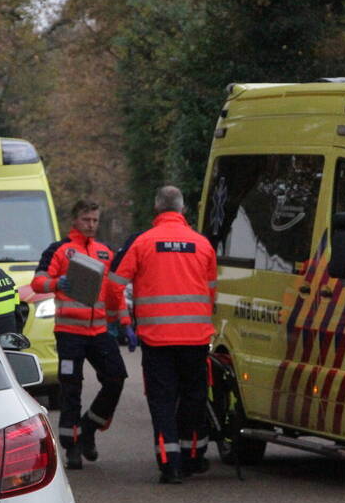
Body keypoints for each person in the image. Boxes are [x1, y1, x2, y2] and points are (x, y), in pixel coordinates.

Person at [107, 186, 217, 484]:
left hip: (157, 339)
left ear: (157, 209)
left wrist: (123, 320)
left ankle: (170, 464)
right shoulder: (202, 244)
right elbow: (212, 294)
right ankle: (192, 456)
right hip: (196, 338)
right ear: (182, 210)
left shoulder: (143, 243)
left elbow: (114, 285)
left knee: (163, 400)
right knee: (194, 397)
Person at [31, 199, 129, 470]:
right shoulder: (59, 250)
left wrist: (124, 322)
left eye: (95, 220)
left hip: (99, 331)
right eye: (87, 220)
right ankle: (72, 446)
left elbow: (113, 291)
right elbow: (37, 282)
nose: (92, 225)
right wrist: (56, 283)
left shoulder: (105, 252)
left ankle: (89, 428)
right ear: (75, 220)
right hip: (69, 332)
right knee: (71, 387)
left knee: (116, 377)